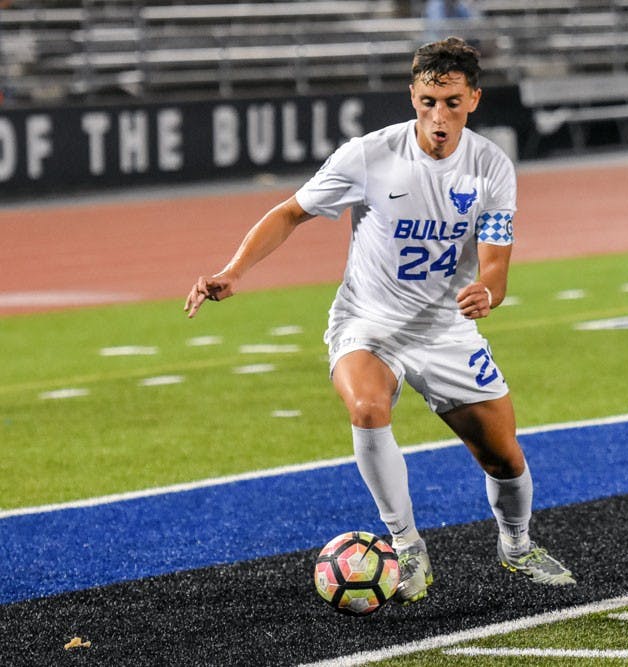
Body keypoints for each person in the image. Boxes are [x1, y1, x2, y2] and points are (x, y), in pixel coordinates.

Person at [185, 36, 575, 603]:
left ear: (474, 100)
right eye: (426, 102)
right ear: (413, 96)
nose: (438, 117)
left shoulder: (491, 167)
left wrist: (487, 295)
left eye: (452, 103)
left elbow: (496, 266)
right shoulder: (369, 155)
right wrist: (234, 270)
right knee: (367, 407)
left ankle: (516, 546)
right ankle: (408, 546)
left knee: (502, 454)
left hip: (445, 328)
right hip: (367, 320)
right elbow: (291, 211)